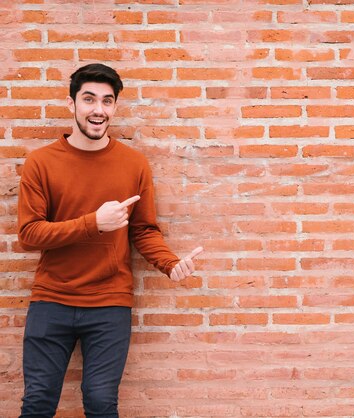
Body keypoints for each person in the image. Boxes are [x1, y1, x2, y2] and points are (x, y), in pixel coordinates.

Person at [17, 63, 203, 417]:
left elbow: (144, 229)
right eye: (89, 99)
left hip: (109, 304)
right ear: (72, 104)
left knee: (101, 402)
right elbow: (29, 234)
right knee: (38, 402)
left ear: (115, 106)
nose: (98, 109)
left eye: (107, 101)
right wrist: (93, 223)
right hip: (51, 299)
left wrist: (170, 263)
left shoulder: (133, 164)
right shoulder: (41, 163)